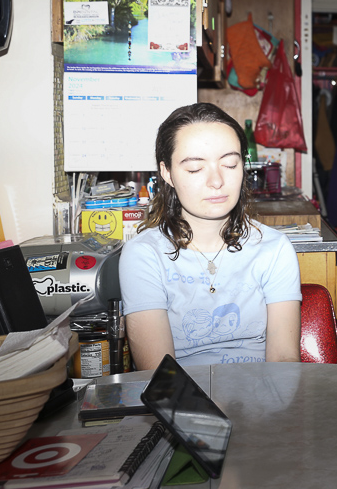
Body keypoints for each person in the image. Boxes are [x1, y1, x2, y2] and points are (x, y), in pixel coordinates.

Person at [119, 103, 302, 370]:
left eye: (230, 164)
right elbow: (158, 374)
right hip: (180, 394)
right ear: (167, 173)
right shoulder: (144, 255)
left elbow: (284, 361)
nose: (216, 181)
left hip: (261, 391)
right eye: (195, 168)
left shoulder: (274, 249)